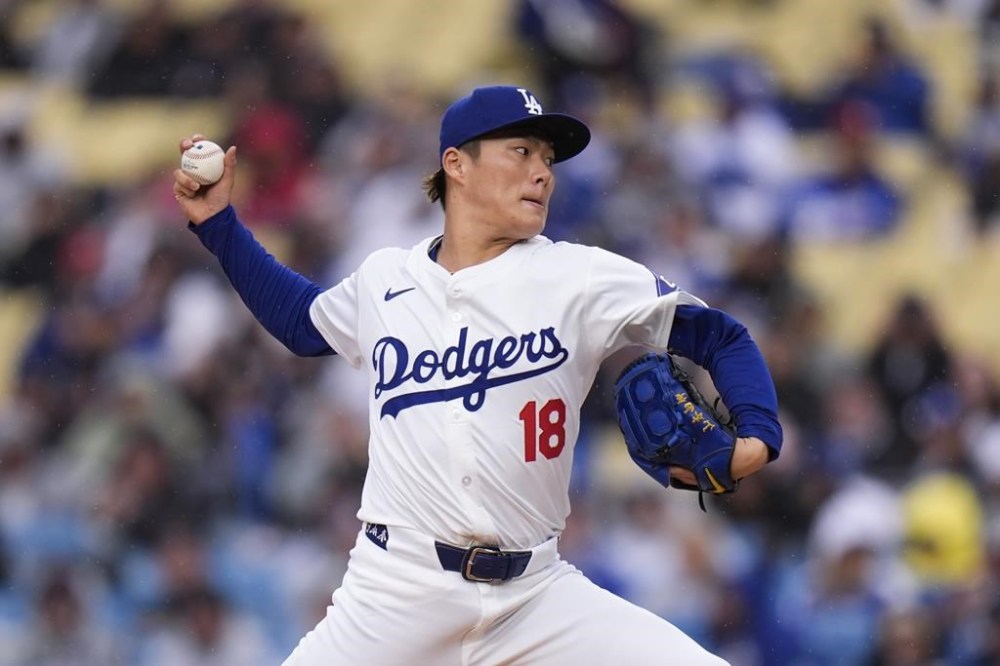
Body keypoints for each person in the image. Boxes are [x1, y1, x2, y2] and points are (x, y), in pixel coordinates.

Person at [171, 84, 783, 665]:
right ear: (456, 165)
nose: (542, 171)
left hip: (534, 596)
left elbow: (720, 335)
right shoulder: (388, 279)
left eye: (547, 159)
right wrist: (219, 224)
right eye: (521, 151)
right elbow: (302, 321)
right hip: (396, 593)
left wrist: (757, 435)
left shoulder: (580, 276)